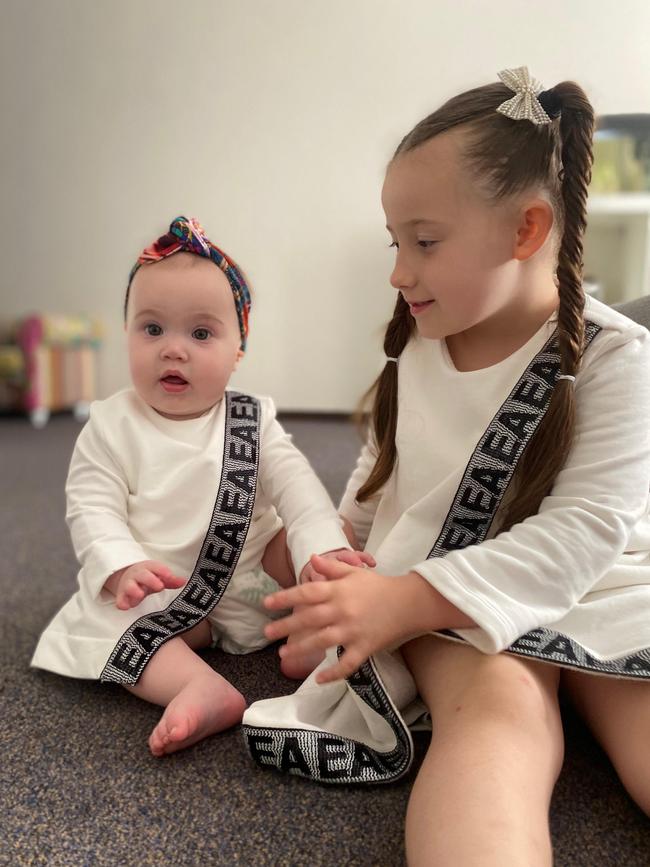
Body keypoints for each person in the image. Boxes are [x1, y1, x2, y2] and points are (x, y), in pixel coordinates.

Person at [242, 68, 650, 864]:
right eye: (398, 242)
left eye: (423, 242)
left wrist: (395, 599)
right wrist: (344, 579)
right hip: (447, 590)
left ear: (526, 230)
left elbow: (590, 531)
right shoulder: (418, 342)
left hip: (603, 585)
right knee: (502, 718)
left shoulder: (617, 358)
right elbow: (386, 469)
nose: (398, 271)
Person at [31, 216, 373, 757]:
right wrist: (121, 566)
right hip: (163, 588)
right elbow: (91, 506)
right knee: (110, 620)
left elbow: (298, 488)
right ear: (126, 335)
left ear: (239, 350)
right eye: (152, 329)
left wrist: (318, 547)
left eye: (200, 333)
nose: (173, 350)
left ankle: (314, 635)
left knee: (332, 550)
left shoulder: (251, 420)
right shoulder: (111, 425)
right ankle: (198, 686)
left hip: (258, 580)